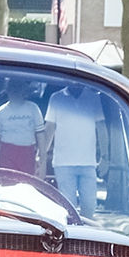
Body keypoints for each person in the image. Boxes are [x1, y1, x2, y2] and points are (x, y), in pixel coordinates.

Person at [44, 83, 106, 216]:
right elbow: (49, 128)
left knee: (89, 206)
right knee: (68, 208)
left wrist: (105, 157)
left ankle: (87, 235)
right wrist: (42, 154)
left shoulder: (94, 97)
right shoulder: (56, 98)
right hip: (63, 163)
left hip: (89, 162)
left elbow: (101, 127)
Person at [0, 77, 46, 176]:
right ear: (7, 90)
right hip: (7, 154)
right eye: (12, 88)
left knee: (27, 187)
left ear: (24, 90)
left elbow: (41, 137)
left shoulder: (33, 109)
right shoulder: (1, 112)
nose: (15, 91)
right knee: (7, 186)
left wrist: (43, 166)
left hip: (27, 154)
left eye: (19, 88)